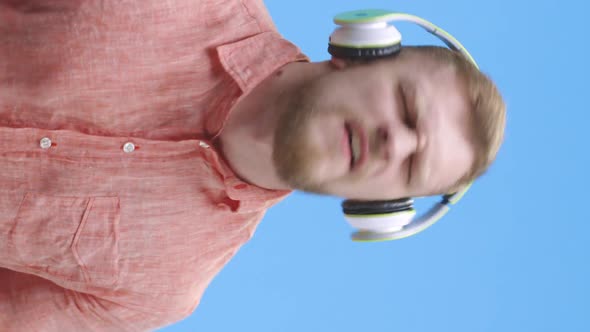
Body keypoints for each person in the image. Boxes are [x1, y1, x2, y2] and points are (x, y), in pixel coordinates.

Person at [0, 0, 506, 331]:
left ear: (380, 206)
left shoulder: (159, 289)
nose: (394, 142)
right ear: (361, 50)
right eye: (406, 107)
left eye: (411, 166)